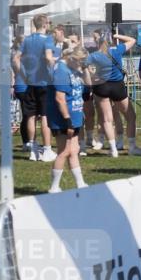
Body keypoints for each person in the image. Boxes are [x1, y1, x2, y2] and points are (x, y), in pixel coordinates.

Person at [87, 32, 141, 156]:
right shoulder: (117, 50)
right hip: (117, 85)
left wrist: (93, 76)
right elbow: (132, 40)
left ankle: (113, 150)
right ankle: (132, 146)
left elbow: (85, 68)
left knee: (107, 120)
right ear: (110, 41)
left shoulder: (93, 55)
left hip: (101, 86)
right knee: (130, 116)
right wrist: (117, 36)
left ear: (98, 43)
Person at [46, 46, 89, 193]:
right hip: (63, 117)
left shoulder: (74, 69)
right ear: (71, 58)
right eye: (79, 62)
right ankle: (54, 186)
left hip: (75, 114)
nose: (80, 65)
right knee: (64, 151)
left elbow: (86, 88)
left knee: (74, 150)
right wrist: (67, 119)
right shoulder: (62, 71)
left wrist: (85, 70)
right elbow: (60, 98)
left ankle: (80, 183)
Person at [15, 15, 57, 162]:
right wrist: (55, 65)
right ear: (45, 24)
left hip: (30, 83)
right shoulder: (47, 39)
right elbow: (48, 57)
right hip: (44, 83)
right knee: (45, 116)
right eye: (49, 22)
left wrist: (23, 75)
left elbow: (16, 58)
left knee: (31, 117)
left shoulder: (26, 40)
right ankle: (47, 150)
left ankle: (33, 150)